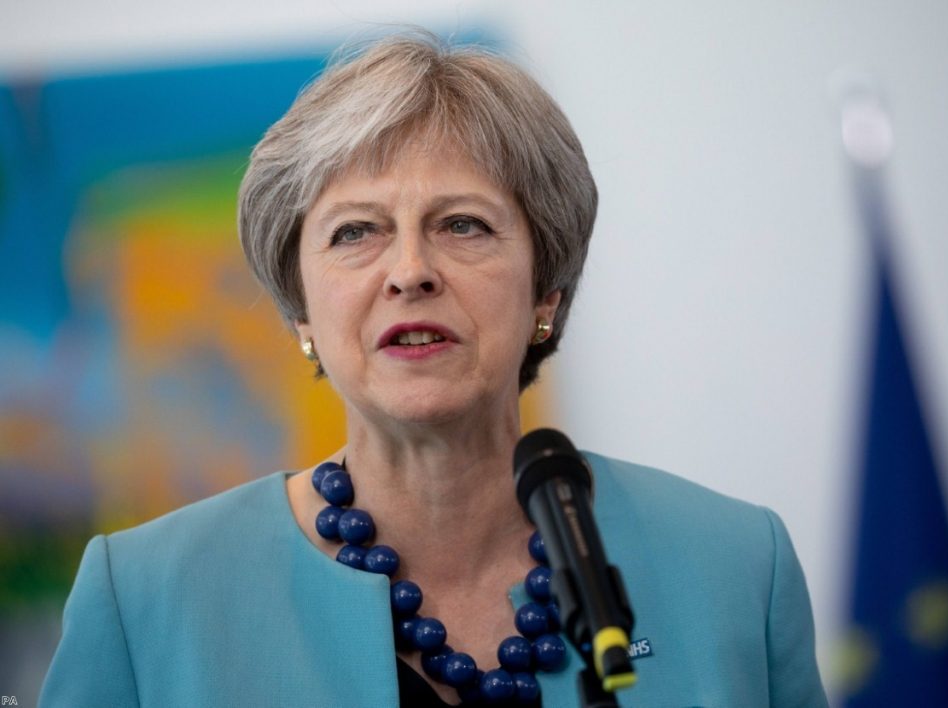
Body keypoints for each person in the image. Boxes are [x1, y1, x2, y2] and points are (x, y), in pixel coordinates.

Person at [41, 33, 828, 707]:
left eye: (462, 224)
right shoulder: (143, 596)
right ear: (302, 311)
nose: (409, 270)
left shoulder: (735, 564)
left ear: (545, 292)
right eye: (356, 232)